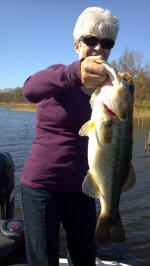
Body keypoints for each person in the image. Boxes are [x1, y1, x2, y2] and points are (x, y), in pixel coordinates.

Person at [20, 6, 119, 266]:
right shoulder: (59, 76)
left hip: (83, 188)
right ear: (77, 46)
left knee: (85, 258)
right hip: (42, 187)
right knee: (43, 259)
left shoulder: (109, 90)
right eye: (91, 40)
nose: (99, 48)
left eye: (107, 42)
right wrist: (75, 74)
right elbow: (29, 90)